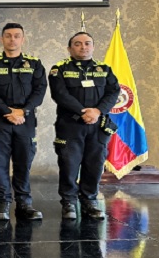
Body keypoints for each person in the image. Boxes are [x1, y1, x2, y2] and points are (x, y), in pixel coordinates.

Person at [48, 32, 120, 220]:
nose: (83, 47)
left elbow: (113, 92)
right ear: (69, 48)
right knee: (69, 165)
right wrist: (83, 112)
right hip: (70, 125)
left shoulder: (104, 69)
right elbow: (60, 95)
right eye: (78, 44)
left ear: (93, 47)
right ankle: (69, 202)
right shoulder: (59, 69)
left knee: (94, 164)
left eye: (87, 43)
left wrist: (97, 111)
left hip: (97, 125)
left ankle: (89, 200)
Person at [0, 23, 47, 221]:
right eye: (8, 36)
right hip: (0, 119)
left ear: (22, 39)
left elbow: (40, 90)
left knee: (23, 161)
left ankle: (24, 203)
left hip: (26, 119)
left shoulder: (34, 64)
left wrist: (23, 111)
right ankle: (2, 203)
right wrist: (8, 112)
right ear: (1, 39)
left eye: (17, 36)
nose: (12, 39)